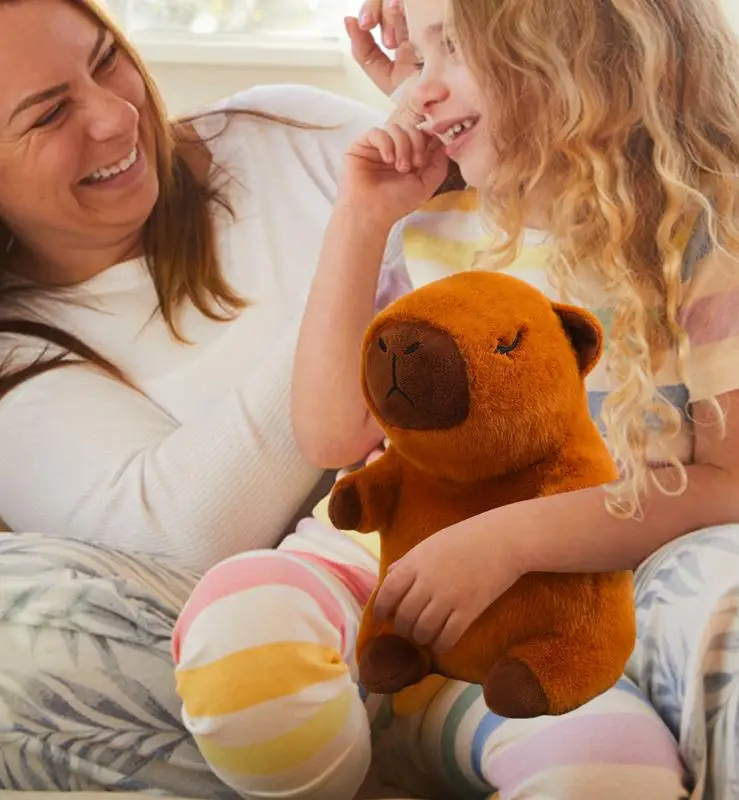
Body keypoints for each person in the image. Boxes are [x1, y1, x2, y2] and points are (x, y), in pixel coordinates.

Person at [175, 0, 739, 799]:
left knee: (606, 776)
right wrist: (362, 217)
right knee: (238, 632)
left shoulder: (706, 232)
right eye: (418, 59)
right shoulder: (437, 212)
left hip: (549, 624)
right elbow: (334, 434)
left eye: (454, 49)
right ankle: (362, 757)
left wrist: (505, 542)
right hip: (385, 561)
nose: (420, 90)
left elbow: (736, 483)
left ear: (580, 48)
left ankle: (427, 726)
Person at [0, 0, 442, 795]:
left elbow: (511, 237)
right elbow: (188, 539)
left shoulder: (278, 133)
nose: (113, 114)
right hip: (298, 666)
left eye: (106, 59)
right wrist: (361, 238)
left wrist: (452, 77)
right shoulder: (16, 358)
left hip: (495, 538)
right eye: (48, 114)